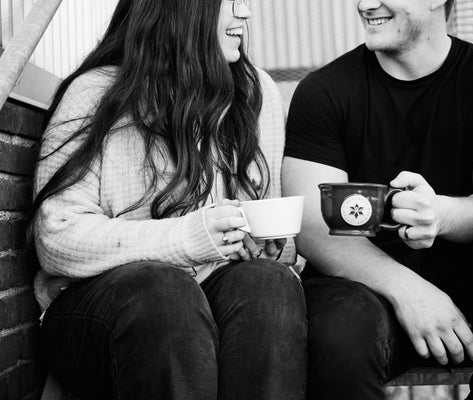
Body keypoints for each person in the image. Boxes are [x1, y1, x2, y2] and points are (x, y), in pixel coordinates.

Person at [282, 0, 473, 399]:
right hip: (366, 289)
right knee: (337, 327)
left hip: (472, 288)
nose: (364, 4)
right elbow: (312, 226)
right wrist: (409, 290)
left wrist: (443, 214)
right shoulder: (324, 90)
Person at [32, 1, 307, 399]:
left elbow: (281, 247)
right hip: (100, 313)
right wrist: (188, 237)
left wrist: (261, 245)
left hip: (213, 301)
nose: (245, 12)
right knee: (163, 290)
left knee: (270, 283)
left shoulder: (255, 93)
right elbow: (55, 237)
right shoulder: (96, 93)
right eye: (230, 2)